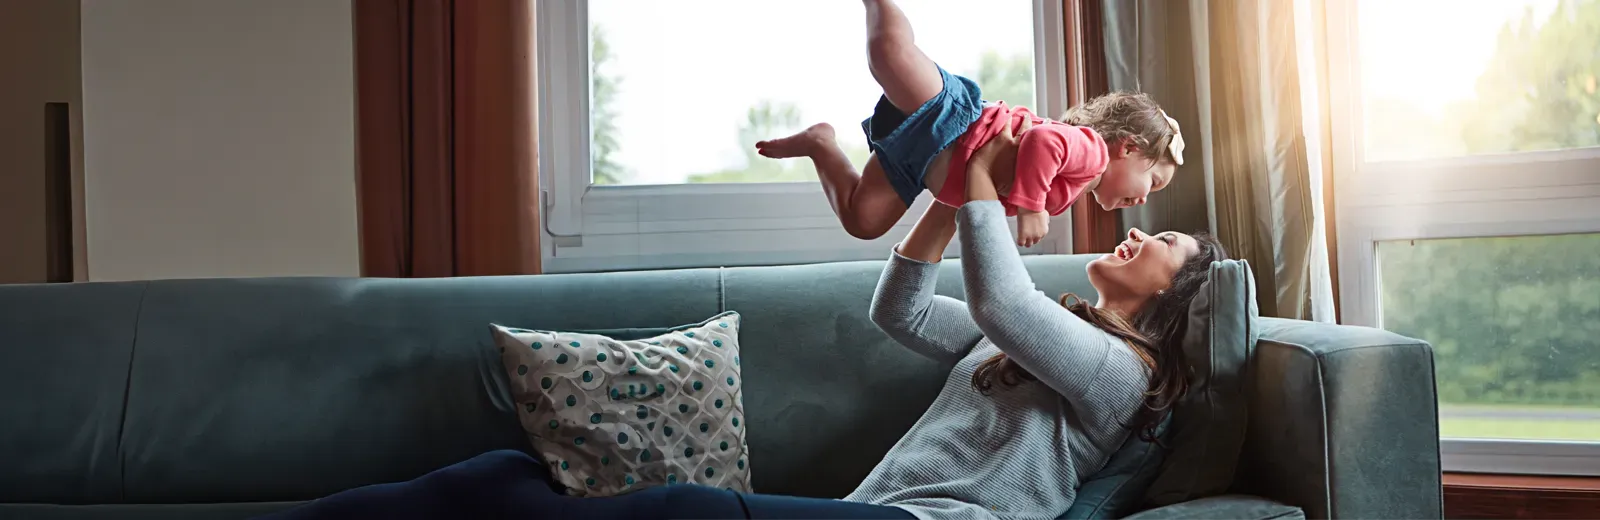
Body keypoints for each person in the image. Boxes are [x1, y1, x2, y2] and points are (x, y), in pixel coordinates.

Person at [256, 116, 1227, 520]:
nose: (1141, 233)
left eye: (1167, 243)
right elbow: (896, 308)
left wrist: (978, 179)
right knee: (509, 472)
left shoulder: (1123, 380)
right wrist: (940, 196)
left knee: (682, 510)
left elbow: (996, 298)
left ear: (1175, 299)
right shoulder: (1053, 341)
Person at [756, 0, 1185, 247]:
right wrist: (1032, 209)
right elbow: (1042, 141)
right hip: (955, 124)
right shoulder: (1090, 152)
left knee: (863, 221)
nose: (1145, 201)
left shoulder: (1071, 190)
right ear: (1128, 148)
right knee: (888, 52)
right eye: (1155, 183)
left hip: (923, 167)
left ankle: (821, 144)